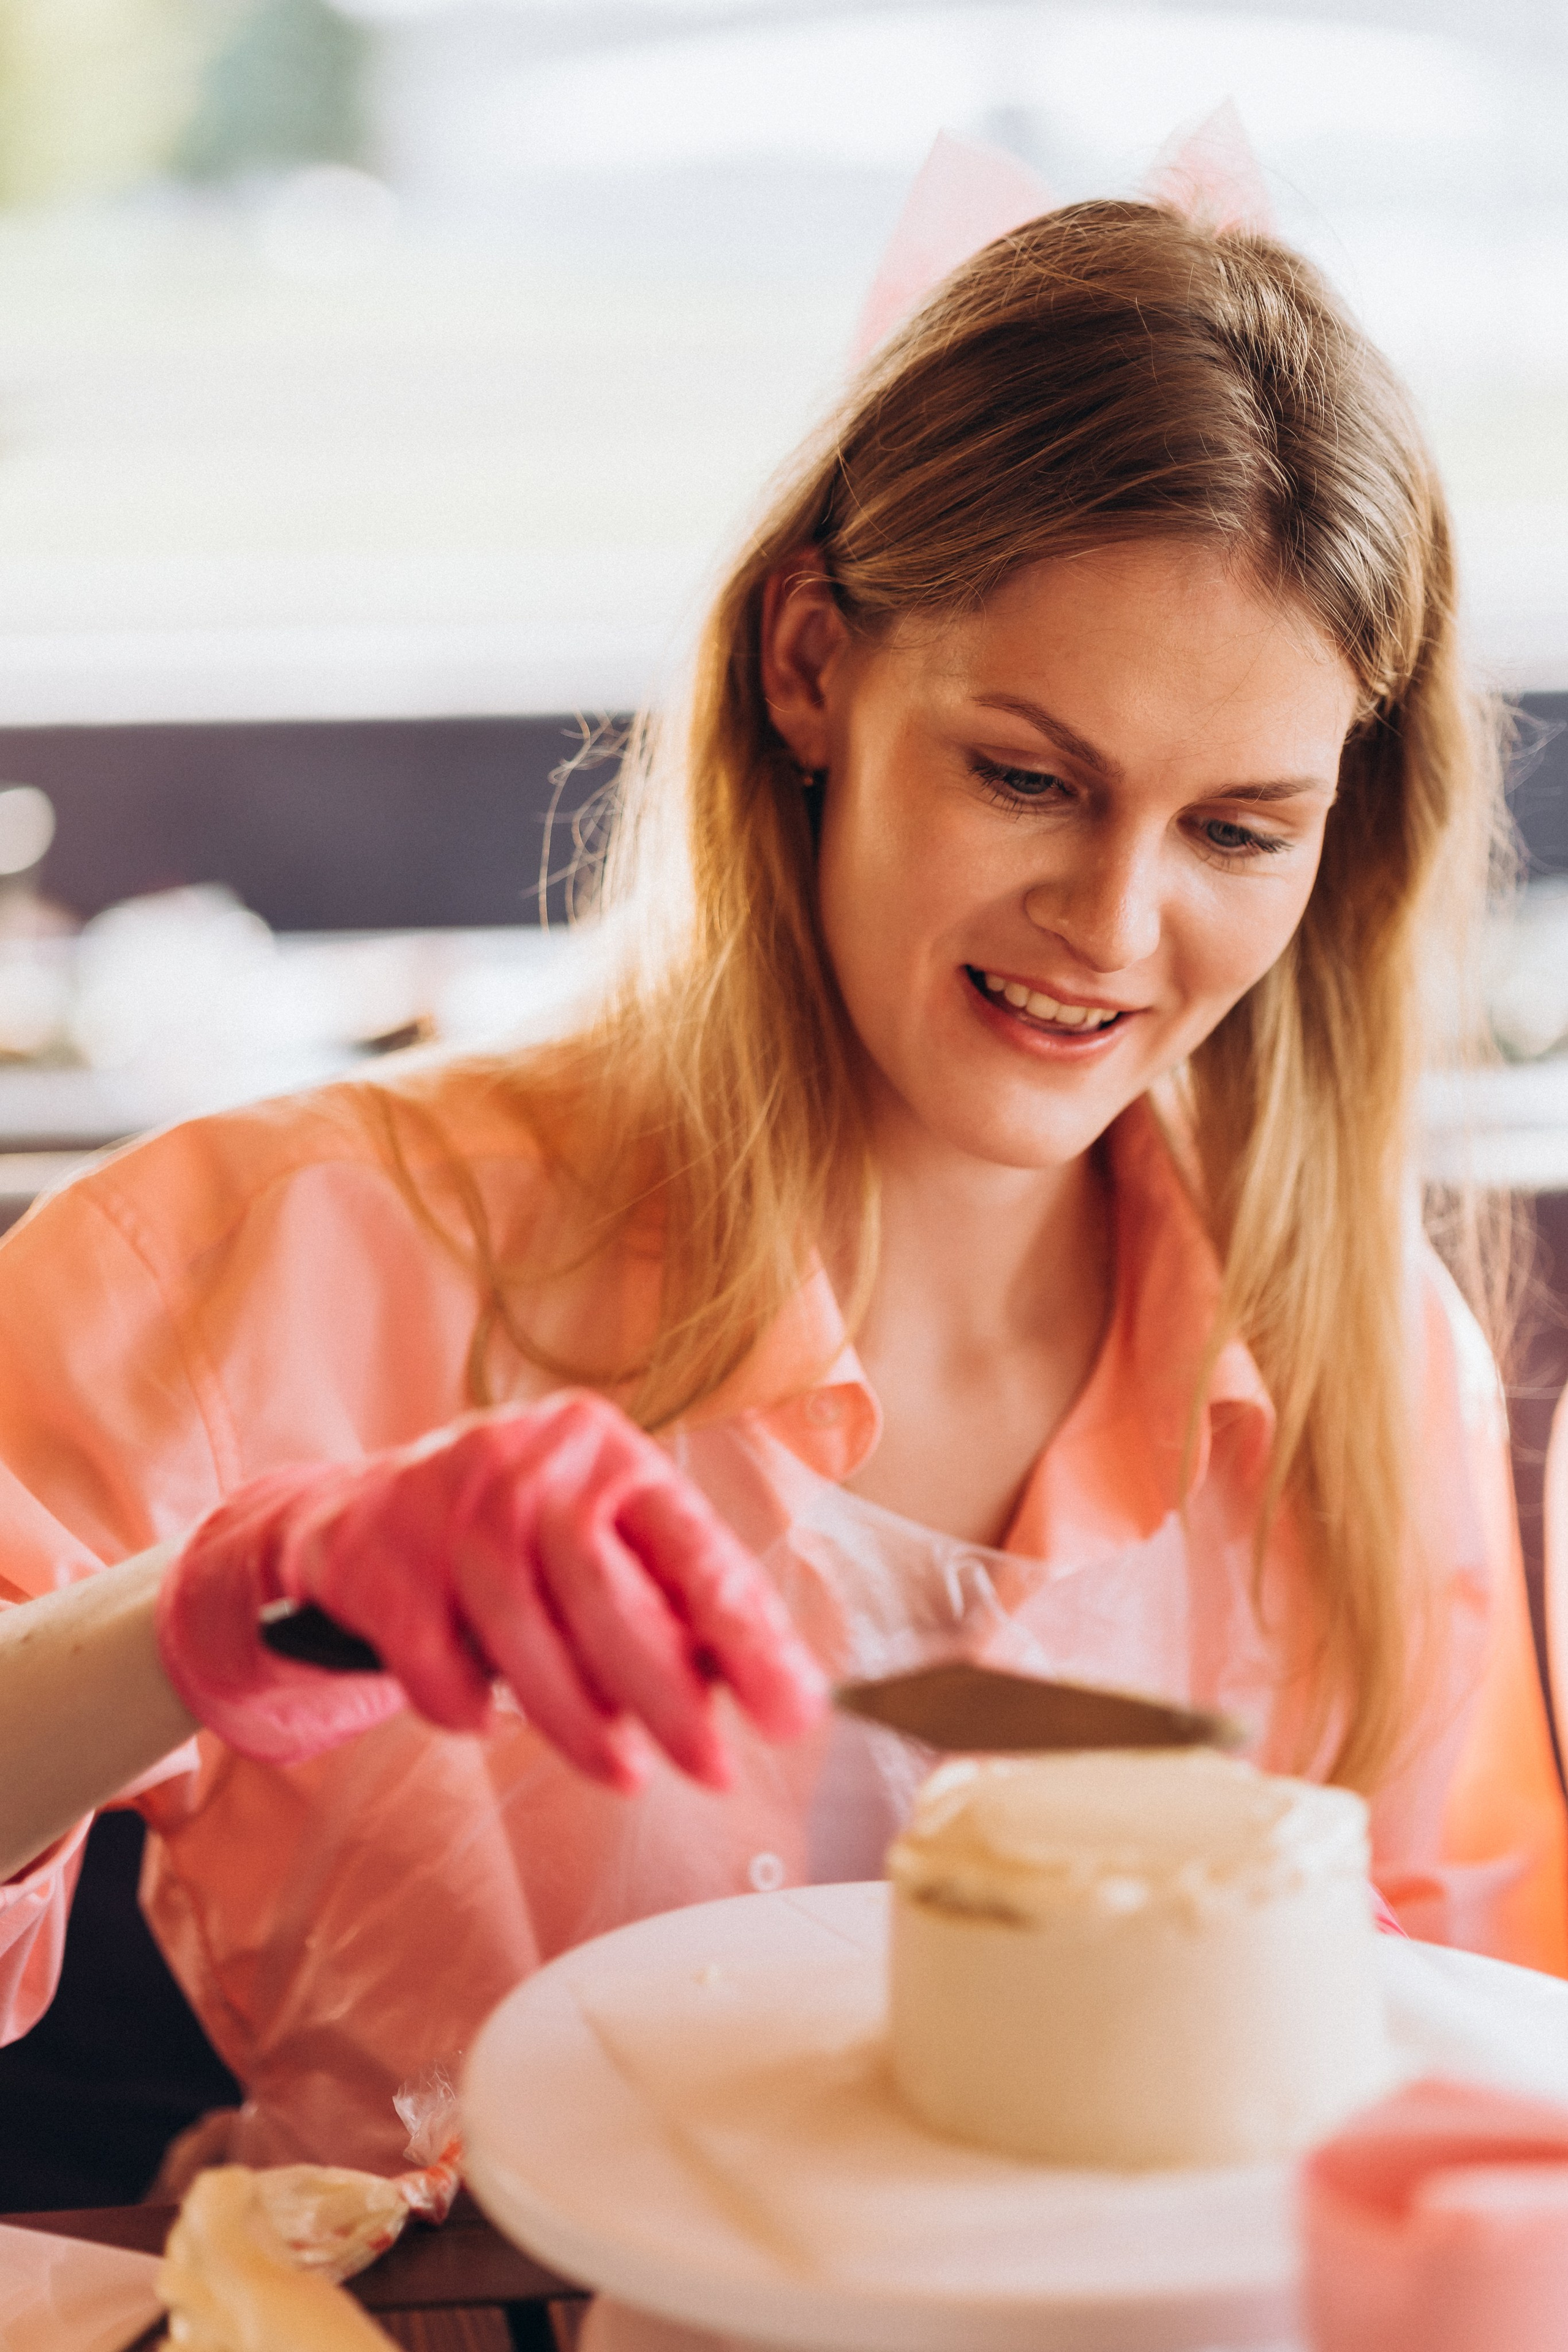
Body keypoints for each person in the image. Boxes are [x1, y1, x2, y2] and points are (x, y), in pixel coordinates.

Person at [0, 178, 1563, 2187]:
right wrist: (218, 1615)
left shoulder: (1370, 1369)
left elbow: (1473, 2115)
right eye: (1028, 776)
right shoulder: (275, 1255)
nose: (1113, 921)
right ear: (813, 663)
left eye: (1240, 833)